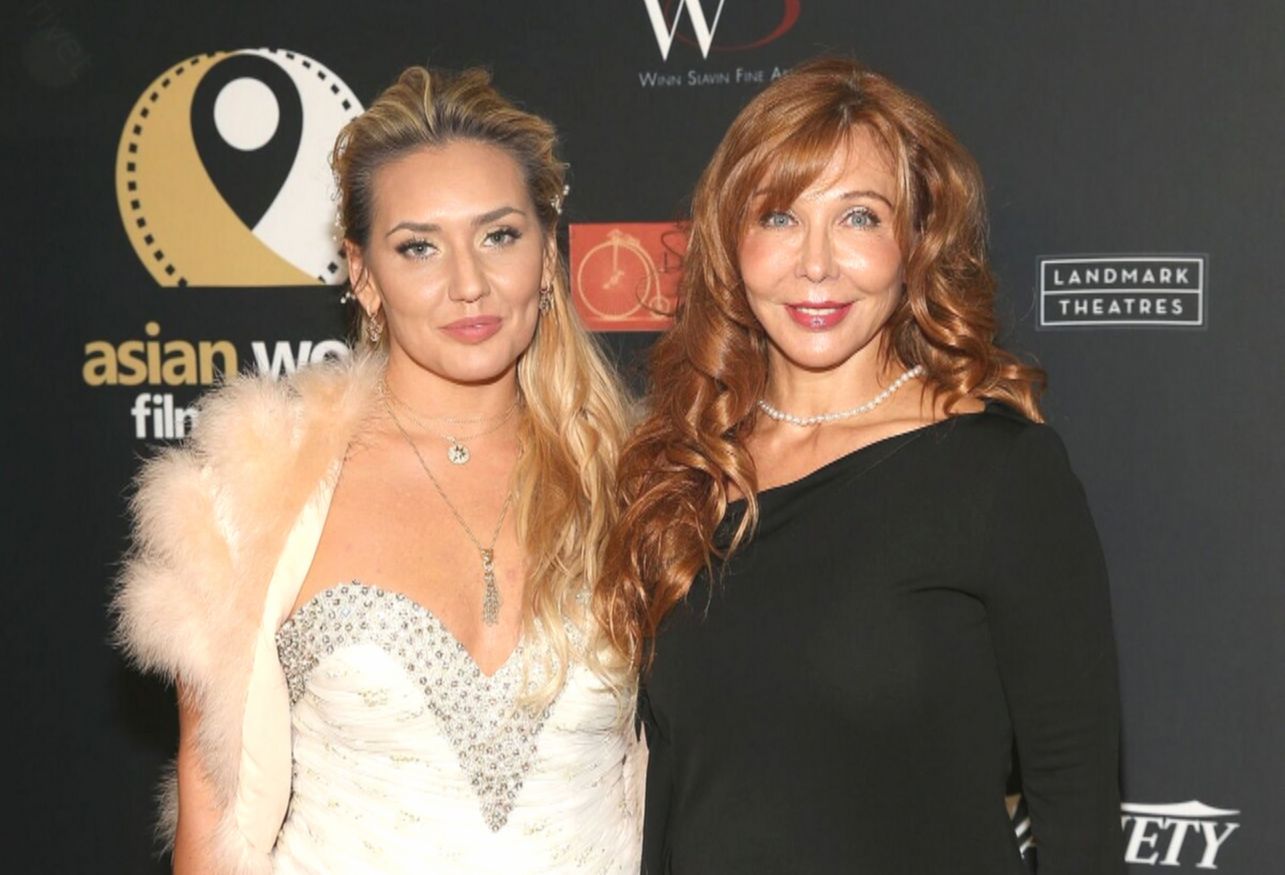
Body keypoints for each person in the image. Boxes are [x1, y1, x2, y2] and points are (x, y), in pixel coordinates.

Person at [595, 57, 1125, 874]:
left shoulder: (999, 474)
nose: (815, 263)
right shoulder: (682, 468)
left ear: (915, 242)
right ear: (730, 242)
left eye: (858, 217)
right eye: (778, 216)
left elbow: (1076, 803)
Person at [115, 66, 642, 874]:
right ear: (363, 275)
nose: (468, 284)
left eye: (499, 235)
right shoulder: (256, 489)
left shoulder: (637, 480)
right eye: (418, 247)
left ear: (546, 253)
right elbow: (214, 805)